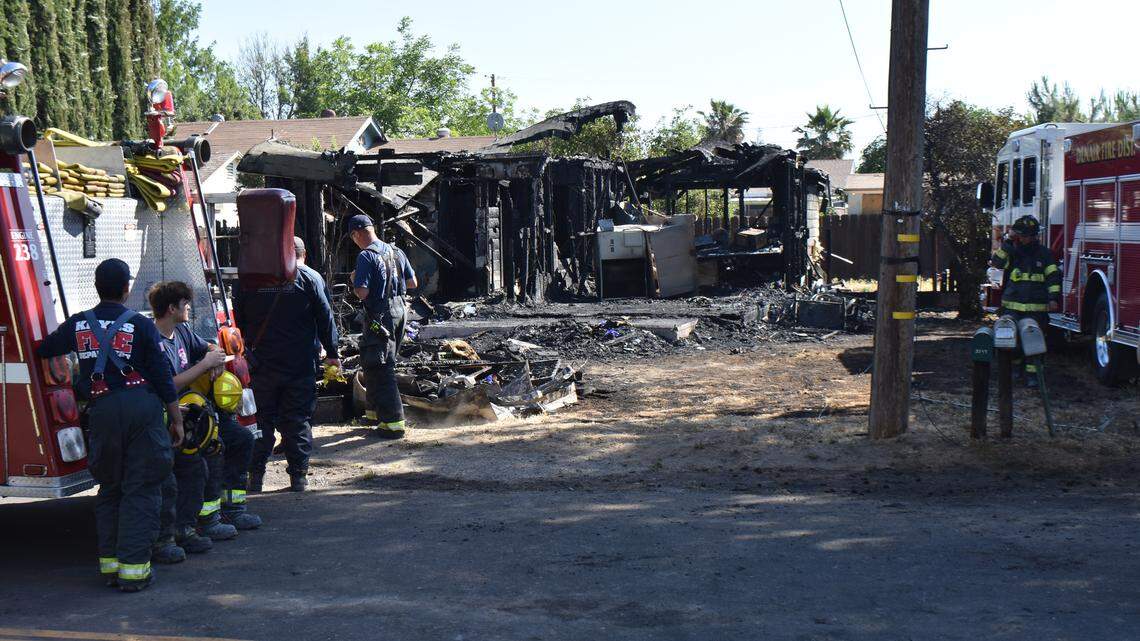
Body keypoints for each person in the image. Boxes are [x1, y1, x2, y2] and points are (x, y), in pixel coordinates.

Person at [36, 259, 182, 592]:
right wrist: (176, 419)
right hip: (141, 410)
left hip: (102, 411)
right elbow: (161, 376)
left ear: (97, 287)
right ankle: (134, 574)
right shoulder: (141, 325)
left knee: (111, 488)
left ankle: (111, 567)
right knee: (141, 489)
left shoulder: (78, 324)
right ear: (127, 289)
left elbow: (45, 348)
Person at [234, 248, 340, 493]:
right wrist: (332, 353)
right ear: (302, 254)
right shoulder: (310, 278)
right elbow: (325, 317)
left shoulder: (249, 279)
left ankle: (256, 476)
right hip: (299, 363)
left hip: (260, 364)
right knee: (297, 420)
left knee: (259, 421)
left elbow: (237, 320)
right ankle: (299, 478)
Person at [149, 281, 227, 562]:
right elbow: (167, 384)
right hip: (162, 419)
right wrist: (205, 365)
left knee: (201, 465)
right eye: (186, 305)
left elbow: (206, 346)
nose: (189, 308)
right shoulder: (153, 341)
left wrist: (214, 355)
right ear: (172, 308)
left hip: (187, 418)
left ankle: (191, 527)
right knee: (168, 480)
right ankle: (166, 537)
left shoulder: (180, 331)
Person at [349, 215, 416, 439]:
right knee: (372, 362)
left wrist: (355, 278)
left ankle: (394, 423)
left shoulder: (366, 256)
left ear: (357, 234)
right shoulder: (397, 252)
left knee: (381, 365)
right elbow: (412, 283)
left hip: (380, 316)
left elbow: (362, 292)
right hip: (400, 313)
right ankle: (374, 414)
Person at [990, 214, 1061, 387]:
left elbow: (1053, 278)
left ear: (1035, 235)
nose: (1024, 239)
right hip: (1012, 307)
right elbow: (997, 263)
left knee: (1034, 341)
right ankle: (1014, 371)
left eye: (1027, 235)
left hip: (1036, 308)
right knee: (1010, 339)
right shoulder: (1011, 251)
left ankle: (1033, 376)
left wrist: (1053, 298)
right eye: (1021, 235)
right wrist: (1007, 241)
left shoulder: (1045, 254)